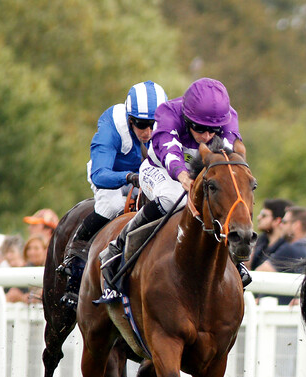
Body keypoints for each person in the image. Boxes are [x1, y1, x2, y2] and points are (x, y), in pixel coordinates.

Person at [98, 77, 251, 294]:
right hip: (160, 170)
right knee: (173, 199)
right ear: (187, 118)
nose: (207, 136)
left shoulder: (228, 117)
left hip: (200, 172)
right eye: (200, 128)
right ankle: (119, 247)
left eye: (213, 130)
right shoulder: (167, 113)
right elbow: (169, 152)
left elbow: (227, 158)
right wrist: (181, 176)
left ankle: (234, 259)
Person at [59, 81, 167, 307]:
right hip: (114, 177)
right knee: (111, 206)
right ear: (130, 119)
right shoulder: (111, 126)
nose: (147, 132)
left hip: (149, 174)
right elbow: (100, 174)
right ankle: (74, 268)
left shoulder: (167, 123)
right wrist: (129, 178)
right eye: (141, 125)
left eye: (152, 125)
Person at [257, 206, 306, 305]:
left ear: (296, 225)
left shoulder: (289, 249)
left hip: (275, 311)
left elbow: (259, 273)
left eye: (284, 222)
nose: (280, 225)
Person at [250, 198, 293, 270]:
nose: (258, 217)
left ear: (277, 221)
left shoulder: (288, 247)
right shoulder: (261, 241)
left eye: (264, 215)